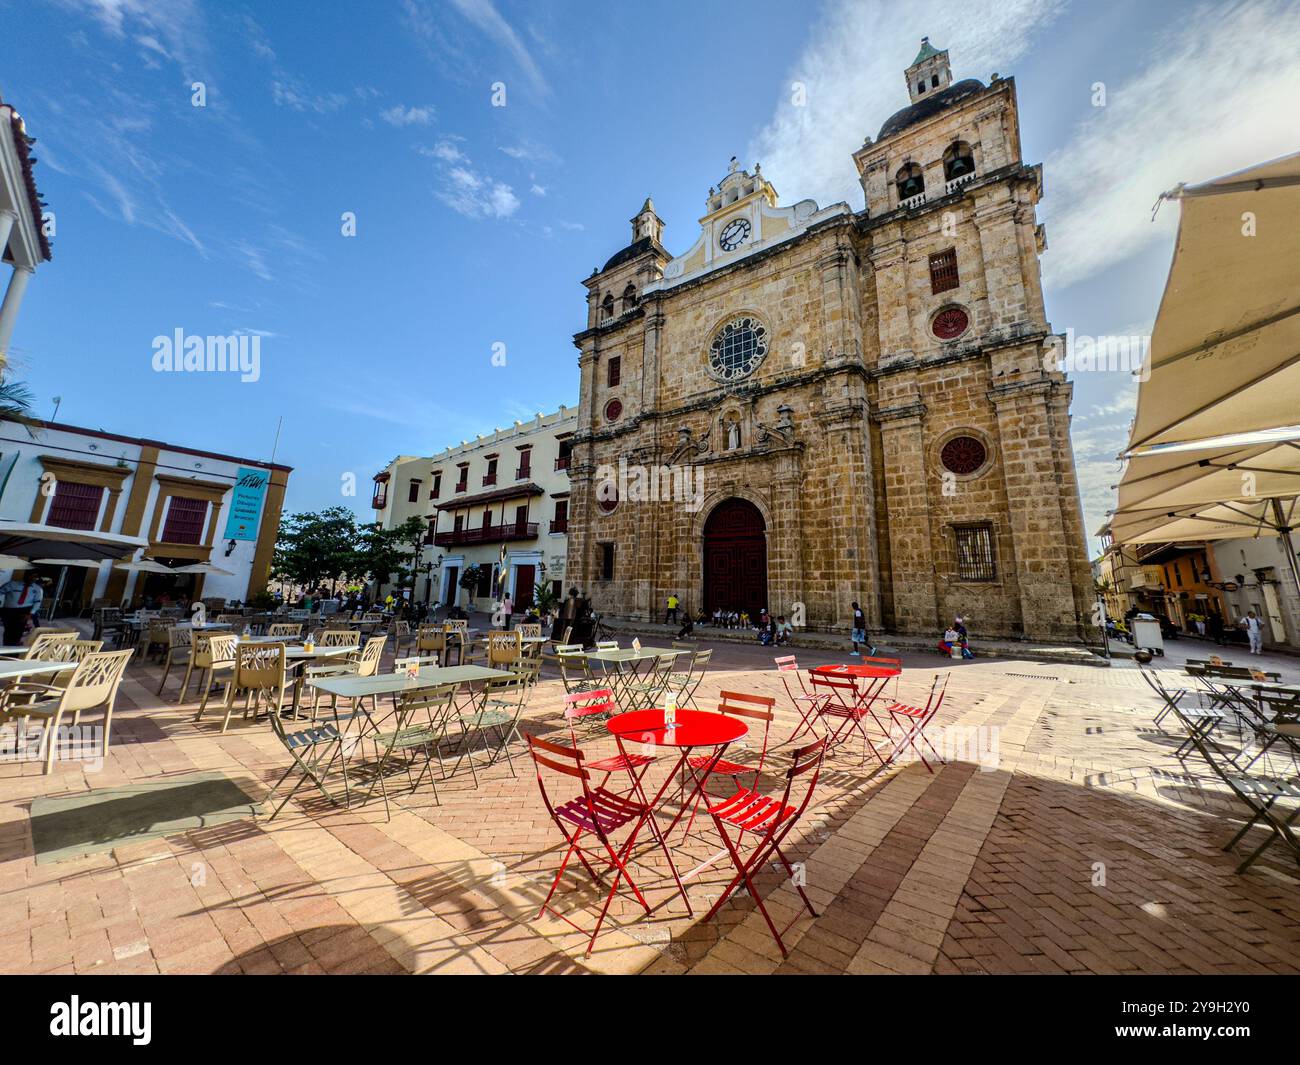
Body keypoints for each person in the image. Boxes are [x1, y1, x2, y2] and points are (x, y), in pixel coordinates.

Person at [1, 571, 44, 645]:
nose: (32, 578)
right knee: (8, 630)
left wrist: (31, 613)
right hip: (9, 610)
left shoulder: (37, 589)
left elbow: (37, 602)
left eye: (35, 577)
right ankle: (6, 648)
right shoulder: (12, 584)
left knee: (18, 631)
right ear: (25, 575)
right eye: (30, 576)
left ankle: (12, 650)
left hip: (24, 611)